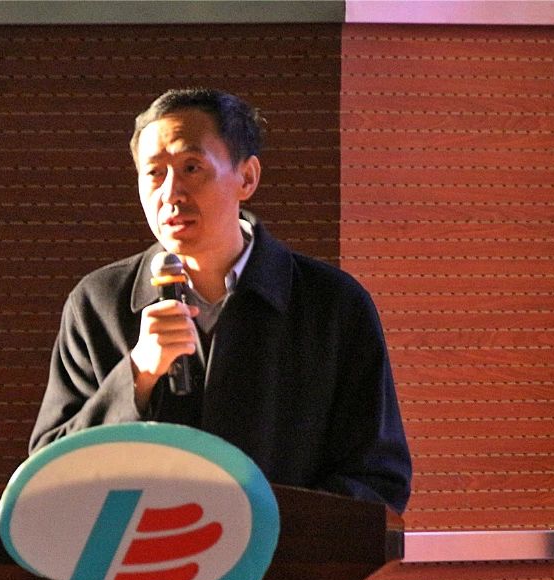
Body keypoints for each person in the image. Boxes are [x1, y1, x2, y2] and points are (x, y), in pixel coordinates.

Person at [29, 88, 412, 513]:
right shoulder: (97, 304)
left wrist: (258, 531)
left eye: (191, 168)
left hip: (280, 554)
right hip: (139, 553)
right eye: (154, 173)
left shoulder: (332, 306)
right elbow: (48, 475)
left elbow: (378, 477)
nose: (170, 193)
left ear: (247, 178)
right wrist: (136, 375)